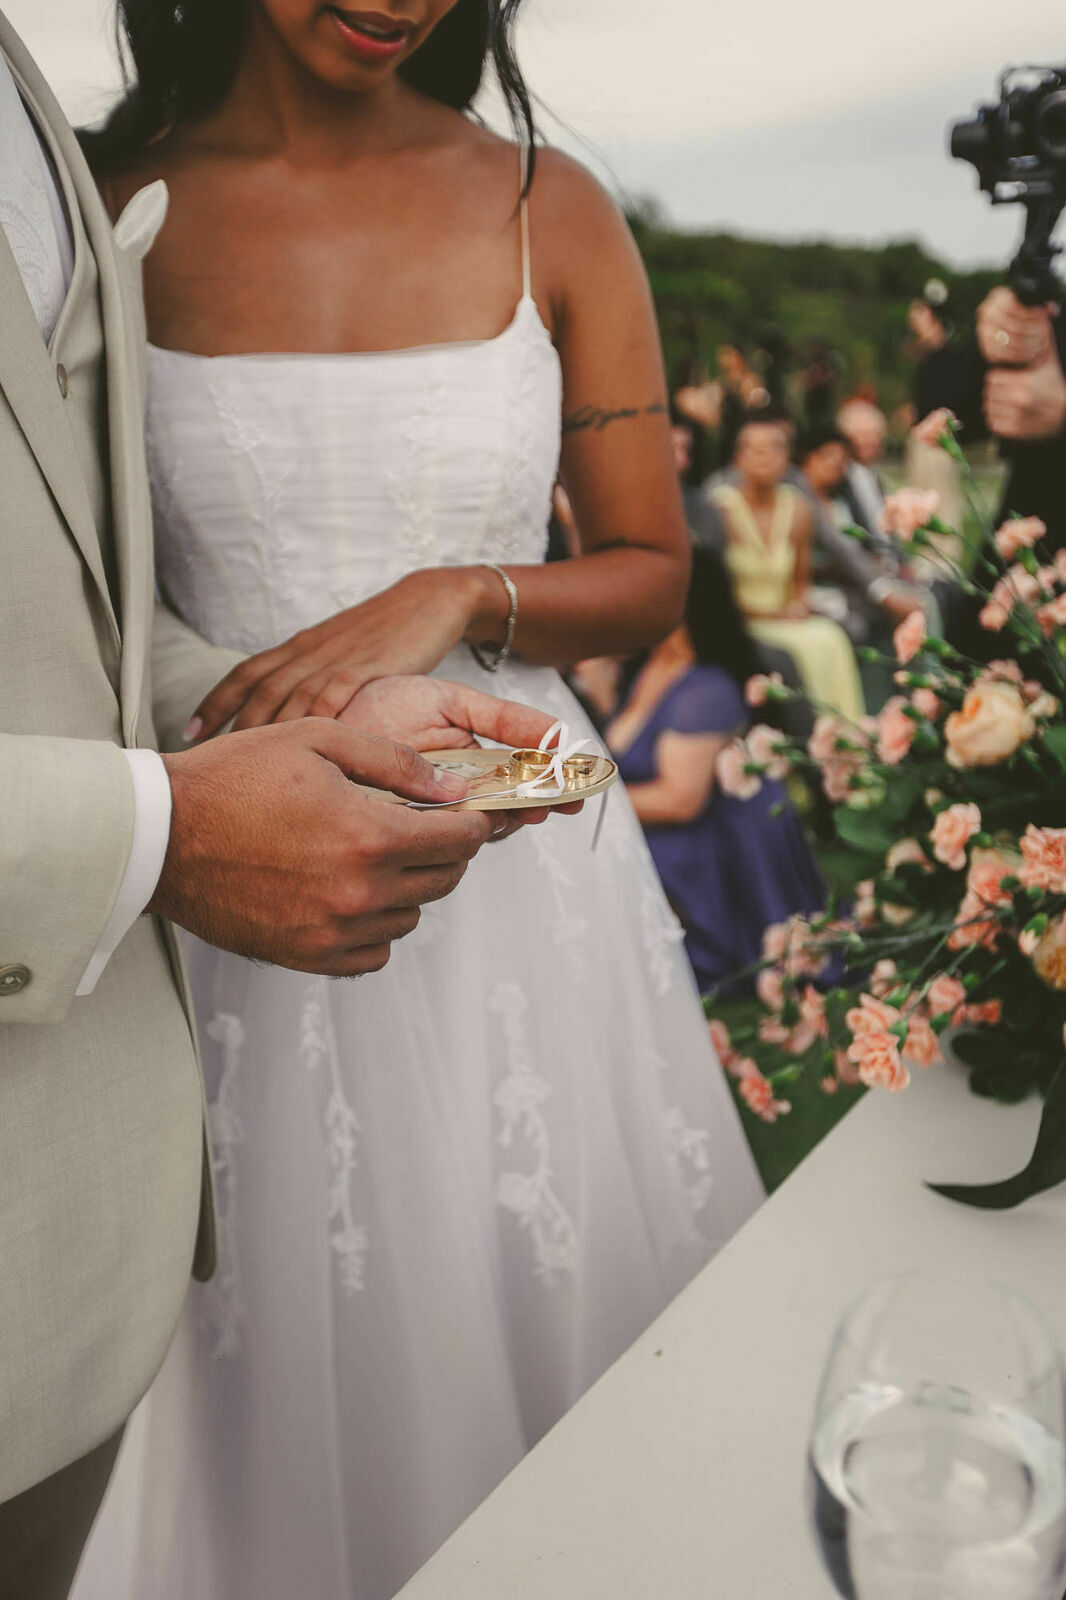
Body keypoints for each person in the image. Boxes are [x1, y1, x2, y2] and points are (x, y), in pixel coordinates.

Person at [72, 4, 766, 1598]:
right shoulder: (111, 207)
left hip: (518, 855)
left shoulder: (552, 209)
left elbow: (651, 570)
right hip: (228, 852)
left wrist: (457, 591)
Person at [0, 10, 571, 1598]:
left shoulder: (31, 117)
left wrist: (285, 702)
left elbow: (70, 595)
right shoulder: (134, 168)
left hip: (66, 1244)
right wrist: (166, 826)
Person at [609, 547, 825, 993]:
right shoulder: (650, 665)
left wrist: (582, 796)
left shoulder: (705, 689)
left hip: (694, 852)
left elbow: (680, 800)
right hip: (644, 829)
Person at [711, 419, 864, 719]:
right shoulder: (720, 510)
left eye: (774, 451)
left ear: (787, 459)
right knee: (803, 649)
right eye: (756, 451)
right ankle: (806, 737)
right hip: (744, 618)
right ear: (739, 458)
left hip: (785, 617)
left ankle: (843, 737)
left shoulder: (798, 509)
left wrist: (798, 604)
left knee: (831, 638)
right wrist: (767, 615)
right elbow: (717, 592)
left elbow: (800, 581)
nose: (765, 459)